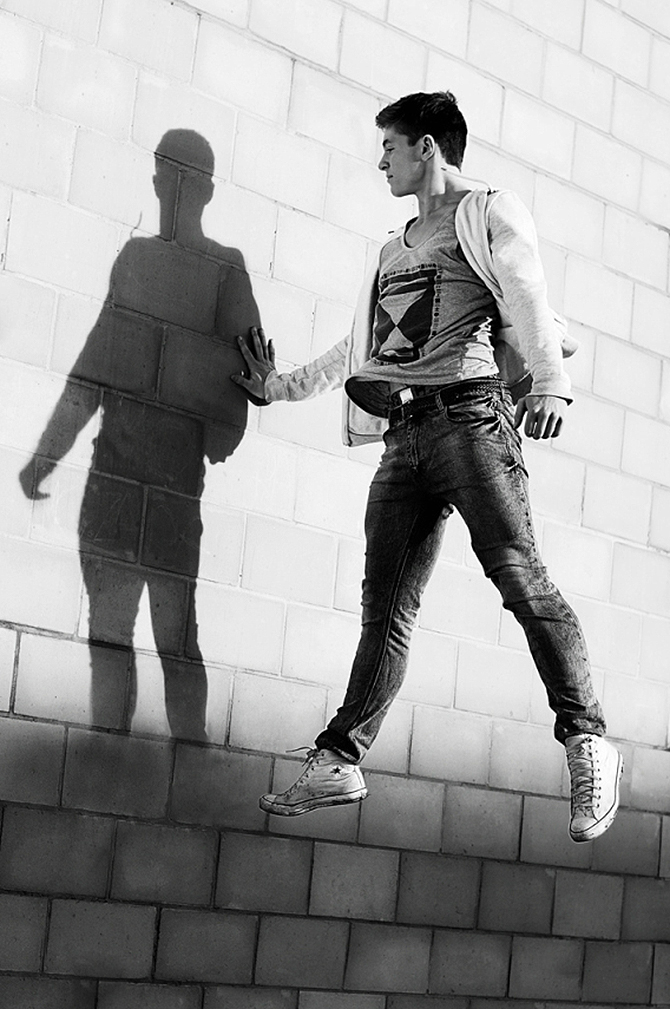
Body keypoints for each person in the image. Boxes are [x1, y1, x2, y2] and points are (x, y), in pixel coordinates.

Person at [232, 91, 622, 843]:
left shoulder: (488, 212)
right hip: (404, 435)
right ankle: (341, 757)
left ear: (430, 148)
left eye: (390, 146)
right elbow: (361, 349)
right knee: (384, 606)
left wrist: (550, 383)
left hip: (471, 420)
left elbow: (527, 292)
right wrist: (278, 389)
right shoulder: (392, 247)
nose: (380, 161)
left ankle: (588, 741)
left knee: (519, 577)